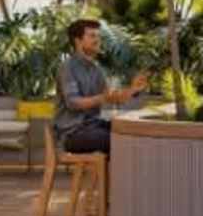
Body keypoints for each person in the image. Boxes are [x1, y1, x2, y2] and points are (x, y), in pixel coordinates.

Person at [53, 19, 148, 155]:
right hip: (72, 132)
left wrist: (133, 89)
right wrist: (103, 98)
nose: (97, 40)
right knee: (118, 140)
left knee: (130, 133)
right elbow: (73, 103)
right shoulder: (68, 67)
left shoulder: (96, 69)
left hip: (94, 125)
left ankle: (117, 169)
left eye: (98, 36)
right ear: (78, 41)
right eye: (92, 36)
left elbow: (112, 98)